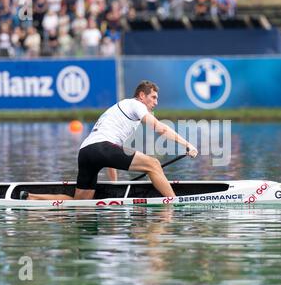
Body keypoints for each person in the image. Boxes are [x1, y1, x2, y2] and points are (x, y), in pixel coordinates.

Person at [22, 80, 198, 201]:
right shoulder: (136, 104)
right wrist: (187, 145)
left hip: (86, 152)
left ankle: (30, 198)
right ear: (141, 96)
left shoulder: (119, 112)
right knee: (153, 164)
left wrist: (114, 185)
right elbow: (161, 128)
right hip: (100, 148)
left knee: (80, 204)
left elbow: (110, 153)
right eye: (153, 97)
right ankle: (174, 203)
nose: (156, 102)